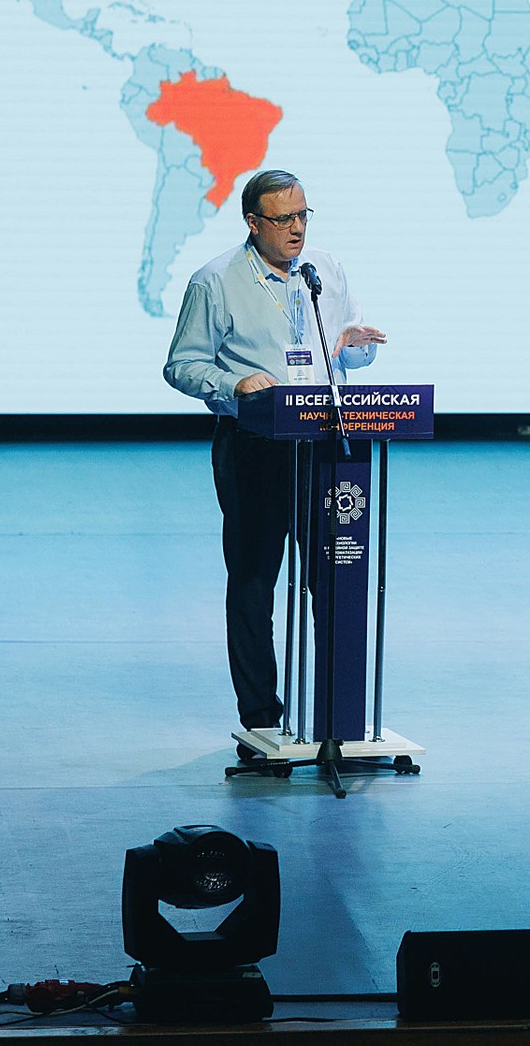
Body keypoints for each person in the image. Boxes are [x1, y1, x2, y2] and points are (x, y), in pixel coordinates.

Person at [163, 170, 387, 739]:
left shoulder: (324, 271)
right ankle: (261, 720)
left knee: (334, 576)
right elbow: (182, 365)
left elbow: (343, 350)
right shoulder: (215, 281)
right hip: (254, 448)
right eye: (283, 218)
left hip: (327, 446)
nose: (297, 229)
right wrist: (233, 385)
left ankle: (338, 715)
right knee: (254, 582)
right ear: (253, 221)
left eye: (303, 215)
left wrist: (354, 347)